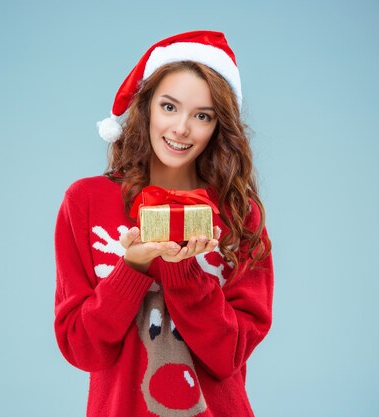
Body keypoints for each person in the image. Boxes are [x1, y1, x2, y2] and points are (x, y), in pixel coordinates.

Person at [54, 30, 274, 417]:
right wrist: (133, 268)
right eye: (169, 107)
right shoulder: (86, 202)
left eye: (202, 115)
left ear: (218, 127)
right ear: (147, 108)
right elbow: (82, 348)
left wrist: (184, 273)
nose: (181, 128)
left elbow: (228, 357)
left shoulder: (241, 214)